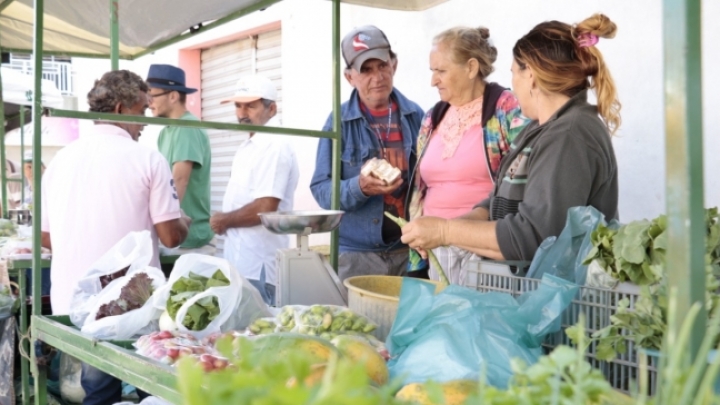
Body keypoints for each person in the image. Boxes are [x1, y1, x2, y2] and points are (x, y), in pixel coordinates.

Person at [401, 14, 620, 264]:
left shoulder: (569, 135)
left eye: (514, 73)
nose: (511, 86)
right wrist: (451, 229)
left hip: (557, 296)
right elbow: (496, 202)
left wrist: (445, 231)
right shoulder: (541, 128)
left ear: (532, 77)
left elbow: (533, 239)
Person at [41, 69, 190, 405]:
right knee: (152, 385)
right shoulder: (147, 158)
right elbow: (170, 237)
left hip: (72, 305)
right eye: (142, 111)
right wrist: (186, 222)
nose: (146, 122)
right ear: (122, 109)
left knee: (98, 390)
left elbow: (46, 238)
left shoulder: (61, 160)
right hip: (126, 307)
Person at [406, 26, 528, 284]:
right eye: (432, 71)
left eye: (441, 71)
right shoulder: (432, 117)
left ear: (471, 68)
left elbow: (527, 179)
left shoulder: (507, 109)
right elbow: (420, 189)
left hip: (486, 258)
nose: (433, 81)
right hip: (435, 254)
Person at [310, 25, 425, 282]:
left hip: (409, 253)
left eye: (382, 66)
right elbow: (320, 189)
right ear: (349, 77)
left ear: (394, 65)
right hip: (355, 256)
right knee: (358, 322)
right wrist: (359, 188)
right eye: (366, 70)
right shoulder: (338, 122)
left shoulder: (417, 116)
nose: (378, 77)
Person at [209, 75, 299, 306]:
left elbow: (265, 207)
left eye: (250, 105)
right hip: (242, 264)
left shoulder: (274, 145)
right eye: (238, 106)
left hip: (257, 266)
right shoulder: (252, 144)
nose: (242, 113)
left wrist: (225, 221)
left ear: (272, 108)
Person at [147, 64, 215, 256]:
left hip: (189, 241)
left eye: (152, 95)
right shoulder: (165, 132)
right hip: (175, 237)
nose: (148, 102)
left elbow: (179, 180)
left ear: (173, 96)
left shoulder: (186, 128)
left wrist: (162, 226)